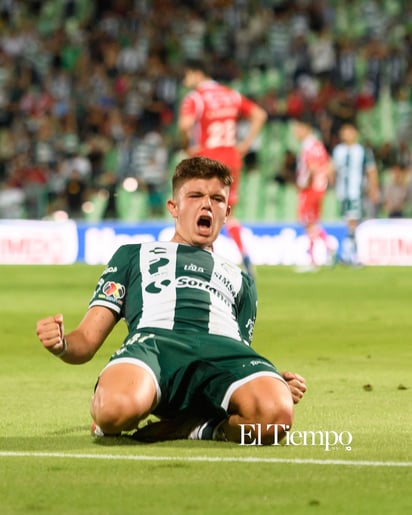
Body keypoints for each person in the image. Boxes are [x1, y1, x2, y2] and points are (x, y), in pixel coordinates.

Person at [36, 156, 306, 445]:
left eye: (216, 199)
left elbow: (239, 355)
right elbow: (87, 342)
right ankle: (132, 411)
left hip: (221, 352)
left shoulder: (243, 281)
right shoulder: (131, 255)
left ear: (226, 212)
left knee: (276, 416)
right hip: (153, 346)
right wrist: (63, 344)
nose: (206, 205)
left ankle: (194, 427)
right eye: (195, 196)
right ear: (173, 207)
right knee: (113, 412)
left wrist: (269, 382)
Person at [178, 59, 268, 276]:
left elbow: (185, 125)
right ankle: (244, 254)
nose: (184, 81)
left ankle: (201, 259)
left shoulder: (195, 98)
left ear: (197, 74)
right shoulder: (231, 94)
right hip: (231, 158)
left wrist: (187, 145)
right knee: (228, 212)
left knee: (197, 207)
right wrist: (244, 145)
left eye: (186, 75)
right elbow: (260, 115)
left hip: (207, 158)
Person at [331, 123, 380, 265]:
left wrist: (373, 189)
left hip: (356, 192)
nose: (346, 134)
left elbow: (371, 171)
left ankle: (351, 254)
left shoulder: (363, 151)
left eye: (349, 131)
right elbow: (333, 170)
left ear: (355, 133)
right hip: (342, 192)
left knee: (353, 220)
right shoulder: (338, 151)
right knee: (348, 221)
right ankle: (350, 253)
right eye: (344, 132)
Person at [292, 115, 334, 268]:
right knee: (312, 223)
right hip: (319, 188)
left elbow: (312, 167)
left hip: (310, 189)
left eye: (297, 129)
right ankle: (327, 246)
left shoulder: (308, 146)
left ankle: (313, 260)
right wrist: (327, 182)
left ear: (305, 129)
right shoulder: (318, 145)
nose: (295, 132)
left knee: (308, 222)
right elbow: (329, 165)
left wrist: (305, 183)